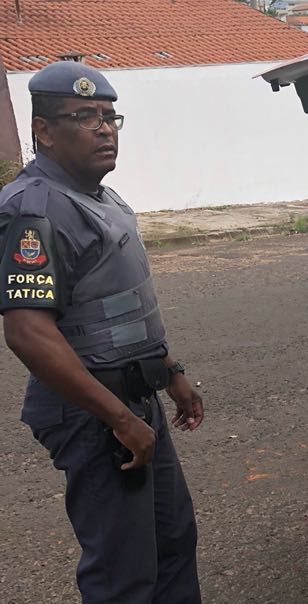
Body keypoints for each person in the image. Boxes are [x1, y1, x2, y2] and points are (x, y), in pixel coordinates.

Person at [0, 61, 204, 603]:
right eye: (84, 116)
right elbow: (27, 333)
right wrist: (119, 419)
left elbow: (122, 308)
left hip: (134, 396)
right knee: (123, 573)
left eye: (110, 117)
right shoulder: (35, 211)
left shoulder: (102, 199)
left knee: (172, 541)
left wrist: (171, 372)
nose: (104, 129)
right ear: (44, 131)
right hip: (94, 413)